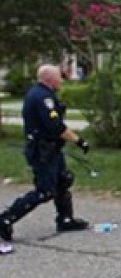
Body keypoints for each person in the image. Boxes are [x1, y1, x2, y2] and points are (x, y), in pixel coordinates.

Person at [0, 64, 89, 242]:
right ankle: (5, 219)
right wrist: (78, 140)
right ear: (49, 79)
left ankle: (65, 219)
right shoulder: (42, 97)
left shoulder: (43, 93)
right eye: (59, 77)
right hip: (42, 151)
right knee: (45, 191)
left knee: (63, 180)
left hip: (51, 148)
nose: (61, 80)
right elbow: (56, 126)